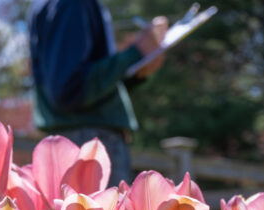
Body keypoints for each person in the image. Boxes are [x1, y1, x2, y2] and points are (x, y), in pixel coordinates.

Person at [30, 0, 168, 185]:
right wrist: (134, 54)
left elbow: (82, 87)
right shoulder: (72, 4)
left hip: (87, 137)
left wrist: (136, 69)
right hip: (88, 140)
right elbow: (68, 90)